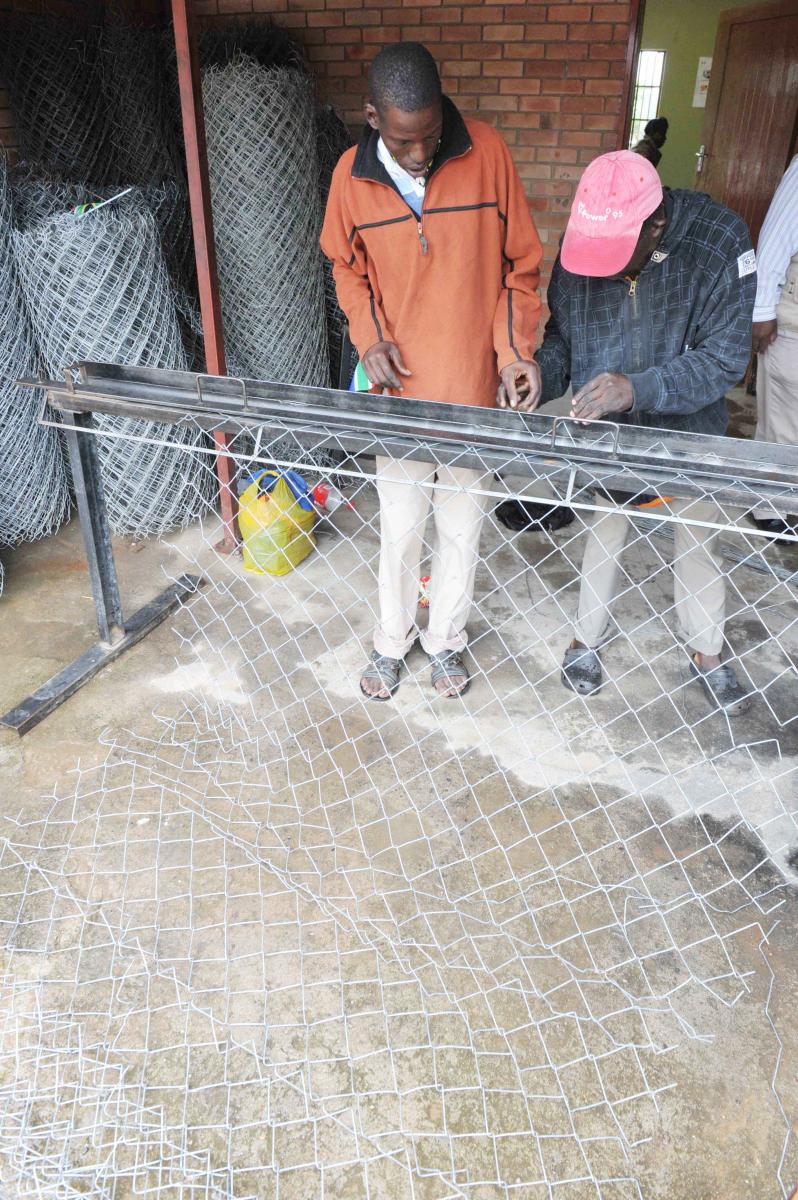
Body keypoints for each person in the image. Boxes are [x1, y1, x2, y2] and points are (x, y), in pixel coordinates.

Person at [321, 42, 542, 701]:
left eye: (431, 136)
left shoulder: (488, 155)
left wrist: (514, 355)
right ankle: (392, 643)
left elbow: (521, 272)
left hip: (474, 391)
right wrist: (369, 338)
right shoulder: (349, 178)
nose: (419, 154)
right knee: (400, 531)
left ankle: (446, 641)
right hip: (400, 394)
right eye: (404, 140)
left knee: (461, 530)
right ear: (371, 117)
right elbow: (346, 269)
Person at [504, 150, 756, 715]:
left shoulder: (718, 242)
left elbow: (724, 360)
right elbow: (565, 339)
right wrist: (542, 375)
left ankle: (707, 651)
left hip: (688, 429)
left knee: (698, 540)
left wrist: (638, 388)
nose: (603, 271)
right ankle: (585, 639)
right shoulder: (580, 252)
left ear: (656, 225)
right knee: (606, 531)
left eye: (617, 257)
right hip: (608, 431)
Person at [749, 154, 798, 540]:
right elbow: (775, 241)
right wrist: (762, 311)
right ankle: (773, 509)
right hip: (793, 322)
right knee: (783, 421)